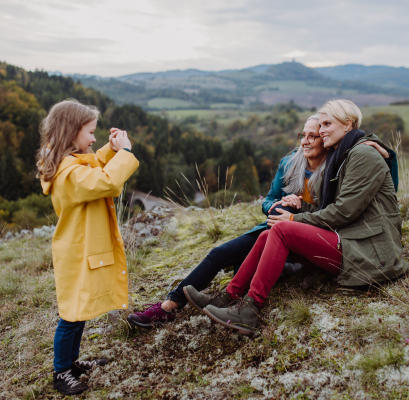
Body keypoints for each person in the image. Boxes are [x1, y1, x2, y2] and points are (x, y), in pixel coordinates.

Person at [127, 115, 392, 328]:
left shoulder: (337, 166)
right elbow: (267, 201)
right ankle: (169, 307)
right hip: (279, 226)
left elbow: (358, 196)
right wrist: (279, 205)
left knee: (256, 258)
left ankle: (247, 302)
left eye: (315, 135)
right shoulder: (290, 163)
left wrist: (387, 153)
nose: (307, 141)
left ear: (327, 140)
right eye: (304, 135)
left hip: (308, 231)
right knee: (220, 253)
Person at [194, 99, 408, 335]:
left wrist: (293, 221)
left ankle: (250, 310)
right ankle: (228, 297)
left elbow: (344, 211)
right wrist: (292, 210)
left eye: (327, 123)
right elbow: (332, 209)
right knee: (267, 235)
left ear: (348, 124)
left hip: (369, 251)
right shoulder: (342, 156)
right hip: (349, 239)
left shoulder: (363, 155)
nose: (322, 129)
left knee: (283, 230)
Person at [37, 99, 139, 395]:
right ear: (72, 132)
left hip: (81, 248)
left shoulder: (74, 162)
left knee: (81, 311)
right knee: (71, 314)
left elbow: (94, 164)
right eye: (90, 133)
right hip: (76, 250)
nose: (94, 139)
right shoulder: (68, 174)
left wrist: (111, 149)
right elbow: (104, 180)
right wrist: (127, 152)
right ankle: (61, 372)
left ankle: (71, 363)